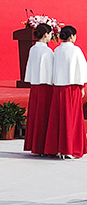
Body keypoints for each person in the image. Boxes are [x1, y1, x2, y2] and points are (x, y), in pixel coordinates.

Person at [44, 25, 87, 159]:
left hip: (58, 88)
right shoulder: (76, 50)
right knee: (72, 118)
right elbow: (81, 70)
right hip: (72, 88)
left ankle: (58, 148)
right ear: (71, 36)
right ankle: (70, 149)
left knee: (58, 118)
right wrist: (82, 86)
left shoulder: (57, 50)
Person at [23, 23, 54, 155]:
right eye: (51, 34)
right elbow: (51, 71)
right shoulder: (47, 51)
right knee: (44, 116)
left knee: (36, 115)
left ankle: (35, 146)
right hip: (45, 87)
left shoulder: (33, 49)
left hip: (35, 86)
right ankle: (44, 146)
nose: (51, 36)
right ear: (45, 34)